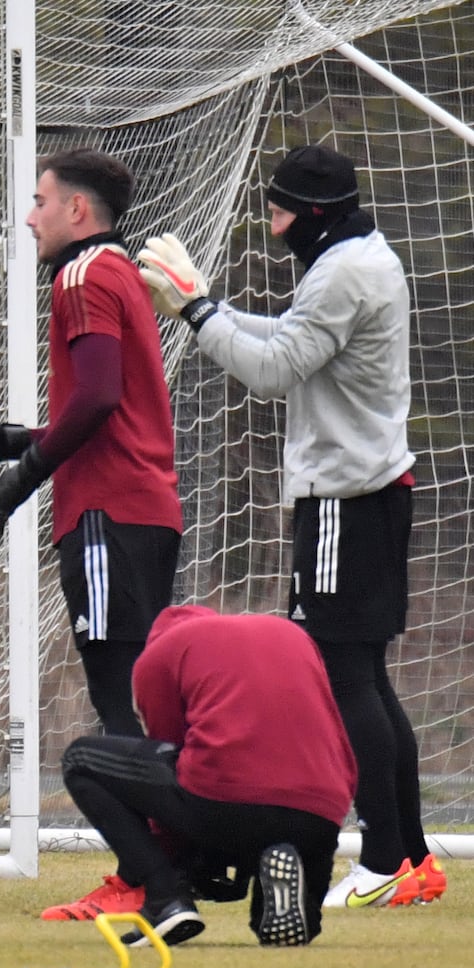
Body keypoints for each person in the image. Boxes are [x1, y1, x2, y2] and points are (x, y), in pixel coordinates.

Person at [137, 143, 444, 908]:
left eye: (279, 212)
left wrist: (198, 313)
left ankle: (381, 863)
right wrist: (204, 301)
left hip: (346, 497)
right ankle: (411, 857)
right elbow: (287, 337)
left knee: (344, 681)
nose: (271, 227)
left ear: (312, 215)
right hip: (365, 490)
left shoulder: (343, 271)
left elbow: (273, 372)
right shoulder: (351, 256)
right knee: (365, 678)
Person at [0, 148, 182, 919]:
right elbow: (117, 404)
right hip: (141, 508)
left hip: (107, 513)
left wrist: (27, 472)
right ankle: (159, 866)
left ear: (77, 211)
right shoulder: (116, 272)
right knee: (132, 695)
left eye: (39, 199)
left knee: (118, 703)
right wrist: (15, 441)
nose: (28, 214)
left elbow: (101, 401)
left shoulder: (81, 277)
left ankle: (152, 877)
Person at [60, 605, 357, 946]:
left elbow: (171, 754)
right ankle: (281, 888)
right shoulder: (292, 635)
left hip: (226, 799)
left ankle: (165, 901)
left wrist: (175, 864)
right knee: (276, 914)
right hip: (321, 813)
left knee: (80, 759)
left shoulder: (159, 654)